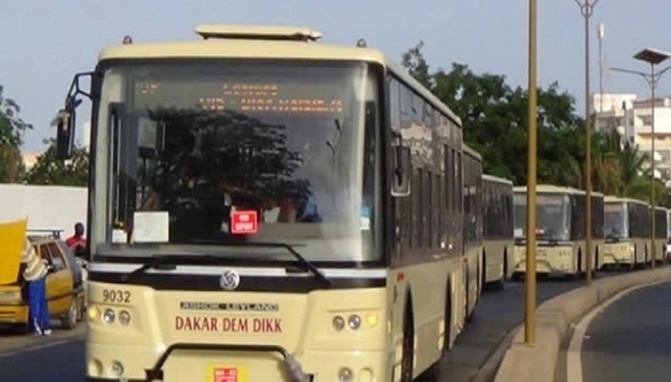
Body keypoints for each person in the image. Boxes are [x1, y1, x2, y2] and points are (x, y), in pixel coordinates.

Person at [21, 237, 52, 336]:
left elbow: (22, 265)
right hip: (40, 271)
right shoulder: (22, 238)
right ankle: (46, 327)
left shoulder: (18, 244)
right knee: (42, 301)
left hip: (34, 274)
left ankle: (36, 327)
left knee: (35, 301)